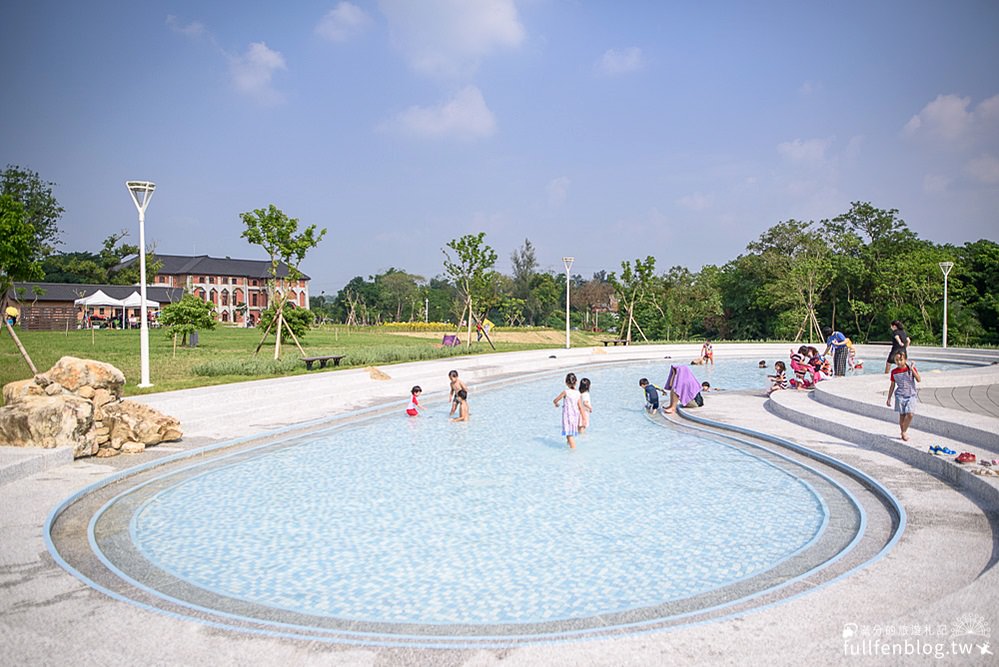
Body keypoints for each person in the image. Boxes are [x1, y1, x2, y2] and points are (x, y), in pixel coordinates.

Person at [886, 350, 921, 441]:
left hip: (911, 395)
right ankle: (903, 432)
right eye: (896, 360)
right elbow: (892, 385)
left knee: (910, 414)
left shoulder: (910, 369)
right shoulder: (894, 372)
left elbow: (918, 379)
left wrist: (912, 369)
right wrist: (889, 397)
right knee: (902, 415)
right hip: (900, 396)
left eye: (901, 360)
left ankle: (904, 431)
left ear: (905, 359)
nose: (899, 362)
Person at [553, 372, 582, 448]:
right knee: (569, 433)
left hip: (568, 416)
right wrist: (583, 417)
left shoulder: (565, 392)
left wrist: (556, 404)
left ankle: (573, 450)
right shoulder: (578, 393)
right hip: (575, 415)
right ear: (576, 382)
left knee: (569, 434)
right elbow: (580, 406)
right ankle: (568, 447)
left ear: (566, 383)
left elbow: (555, 400)